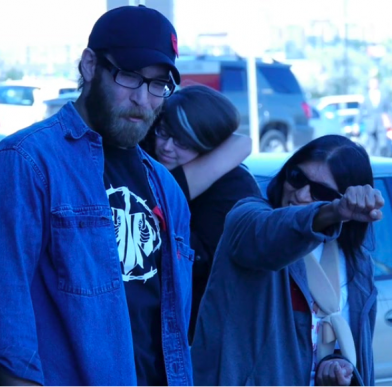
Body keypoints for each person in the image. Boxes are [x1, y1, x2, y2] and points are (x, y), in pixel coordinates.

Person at [0, 5, 195, 386]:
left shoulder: (165, 188)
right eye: (130, 77)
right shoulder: (24, 163)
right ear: (90, 66)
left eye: (158, 85)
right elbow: (3, 330)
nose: (144, 99)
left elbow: (166, 330)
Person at [191, 135, 383, 386]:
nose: (301, 195)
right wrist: (331, 211)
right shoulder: (249, 219)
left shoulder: (356, 262)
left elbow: (325, 343)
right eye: (297, 177)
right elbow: (268, 236)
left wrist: (335, 363)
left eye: (321, 192)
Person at [141, 85, 261, 343]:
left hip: (199, 330)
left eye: (183, 142)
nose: (166, 147)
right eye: (163, 133)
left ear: (210, 145)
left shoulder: (233, 189)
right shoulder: (142, 159)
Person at [357, 75, 392, 157]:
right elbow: (360, 111)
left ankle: (384, 165)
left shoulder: (384, 96)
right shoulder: (365, 97)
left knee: (383, 146)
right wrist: (356, 123)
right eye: (372, 83)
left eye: (375, 83)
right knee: (372, 147)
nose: (374, 85)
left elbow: (389, 109)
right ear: (369, 85)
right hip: (370, 125)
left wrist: (390, 122)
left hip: (382, 125)